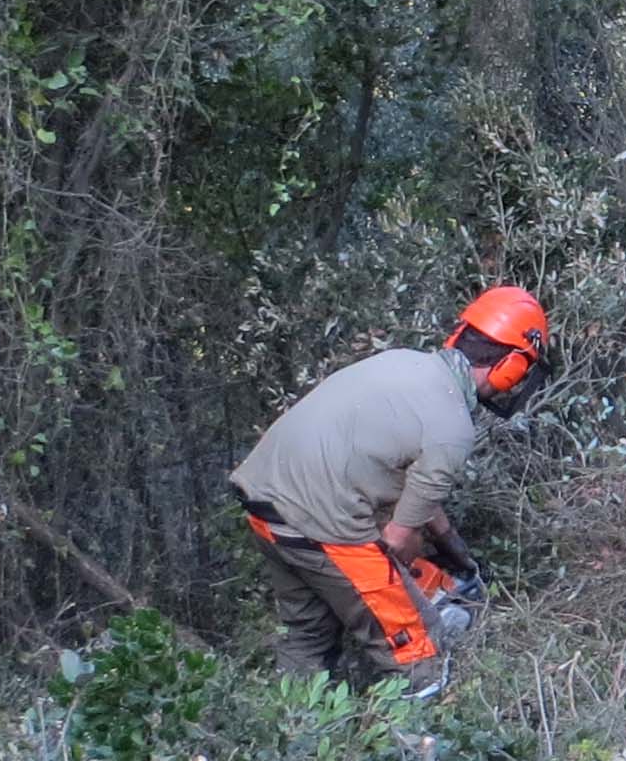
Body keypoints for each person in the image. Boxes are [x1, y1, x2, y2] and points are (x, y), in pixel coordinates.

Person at [229, 287, 549, 691]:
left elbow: (415, 493)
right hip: (323, 522)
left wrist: (455, 551)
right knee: (417, 651)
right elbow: (397, 539)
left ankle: (296, 737)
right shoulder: (453, 426)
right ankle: (414, 744)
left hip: (265, 503)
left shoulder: (402, 363)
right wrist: (403, 571)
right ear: (512, 366)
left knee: (307, 636)